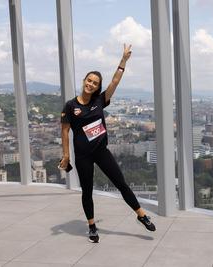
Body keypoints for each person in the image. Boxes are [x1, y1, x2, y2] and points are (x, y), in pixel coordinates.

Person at [59, 44, 156, 243]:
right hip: (83, 156)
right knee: (87, 191)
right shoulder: (71, 106)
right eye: (89, 80)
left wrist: (123, 61)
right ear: (84, 81)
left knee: (121, 183)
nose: (91, 84)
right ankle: (92, 226)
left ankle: (141, 215)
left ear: (98, 87)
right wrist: (66, 155)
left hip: (101, 152)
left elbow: (115, 81)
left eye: (95, 83)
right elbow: (65, 131)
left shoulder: (100, 101)